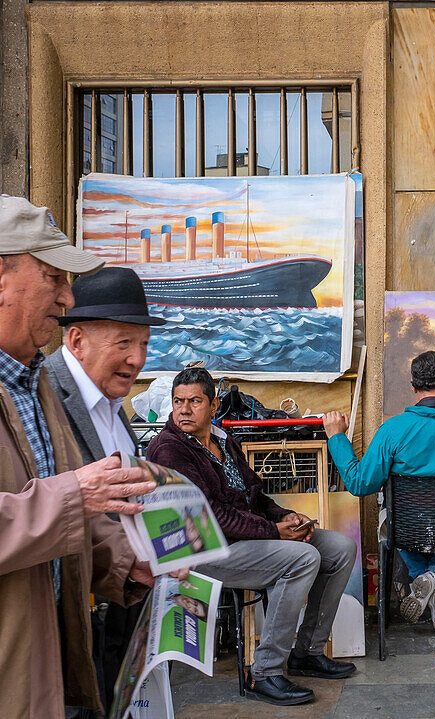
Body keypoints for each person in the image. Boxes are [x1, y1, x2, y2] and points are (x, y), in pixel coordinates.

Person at [0, 195, 162, 718]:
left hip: (47, 661)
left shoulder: (34, 383)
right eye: (52, 276)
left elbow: (72, 513)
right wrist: (74, 495)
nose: (68, 296)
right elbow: (71, 499)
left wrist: (124, 566)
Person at [147, 367, 358, 706]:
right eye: (178, 402)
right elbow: (211, 517)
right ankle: (266, 671)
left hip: (245, 539)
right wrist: (275, 532)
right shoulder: (169, 450)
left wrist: (283, 516)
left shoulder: (222, 439)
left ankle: (306, 652)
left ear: (214, 405)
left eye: (194, 401)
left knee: (340, 548)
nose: (184, 410)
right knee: (303, 559)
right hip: (201, 552)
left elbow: (253, 495)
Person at [42, 265, 166, 710]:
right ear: (76, 340)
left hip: (122, 600)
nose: (137, 359)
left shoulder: (115, 408)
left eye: (144, 345)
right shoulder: (43, 394)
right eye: (124, 343)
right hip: (69, 613)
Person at [322, 351, 435, 635]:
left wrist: (336, 438)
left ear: (413, 386)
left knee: (397, 525)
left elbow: (359, 483)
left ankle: (427, 581)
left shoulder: (393, 430)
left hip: (407, 530)